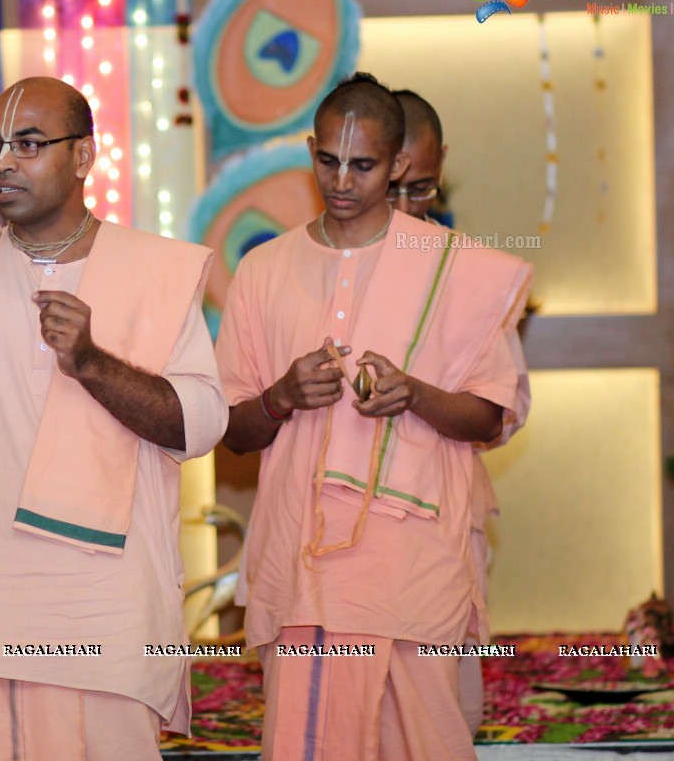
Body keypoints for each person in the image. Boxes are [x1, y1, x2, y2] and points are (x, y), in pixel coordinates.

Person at [0, 77, 227, 760]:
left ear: (83, 157)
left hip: (106, 616)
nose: (3, 163)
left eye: (29, 144)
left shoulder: (155, 271)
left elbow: (202, 424)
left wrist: (92, 362)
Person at [215, 73, 532, 760]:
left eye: (363, 165)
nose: (342, 179)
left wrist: (414, 394)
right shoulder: (264, 271)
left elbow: (490, 417)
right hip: (301, 573)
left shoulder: (454, 270)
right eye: (328, 159)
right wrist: (282, 397)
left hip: (413, 570)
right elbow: (230, 432)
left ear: (399, 166)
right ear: (311, 149)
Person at [390, 89, 531, 737]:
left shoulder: (471, 270)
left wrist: (415, 393)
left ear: (441, 164)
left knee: (438, 715)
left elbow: (492, 416)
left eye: (417, 190)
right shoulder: (308, 266)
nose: (399, 212)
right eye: (386, 190)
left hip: (440, 523)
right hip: (335, 535)